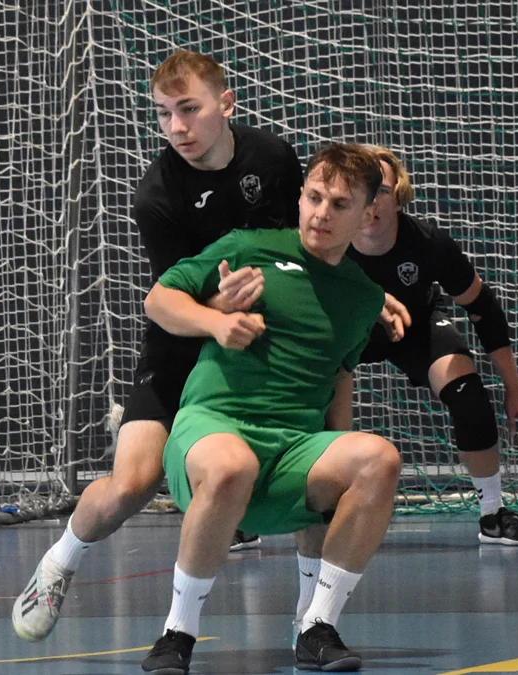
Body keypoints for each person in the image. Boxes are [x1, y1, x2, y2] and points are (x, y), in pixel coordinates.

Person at [10, 50, 304, 643]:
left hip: (261, 344)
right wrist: (218, 311)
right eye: (165, 114)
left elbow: (295, 252)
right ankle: (59, 561)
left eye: (189, 109)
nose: (177, 127)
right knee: (131, 484)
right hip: (181, 345)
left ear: (226, 104)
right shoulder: (156, 197)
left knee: (306, 459)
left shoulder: (272, 160)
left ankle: (315, 619)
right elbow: (174, 303)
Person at [139, 143, 402, 674]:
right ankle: (177, 634)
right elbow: (159, 300)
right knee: (232, 466)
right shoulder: (250, 246)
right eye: (313, 197)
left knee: (379, 458)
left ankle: (316, 627)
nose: (321, 213)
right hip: (213, 428)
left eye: (339, 204)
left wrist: (341, 473)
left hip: (292, 453)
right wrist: (217, 321)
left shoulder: (362, 297)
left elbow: (339, 380)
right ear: (301, 197)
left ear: (367, 214)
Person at [347, 145, 518, 545]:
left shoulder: (430, 244)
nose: (370, 203)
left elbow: (483, 308)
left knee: (469, 396)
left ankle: (491, 513)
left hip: (415, 325)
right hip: (347, 330)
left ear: (398, 193)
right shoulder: (326, 246)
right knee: (305, 400)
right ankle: (263, 513)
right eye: (359, 191)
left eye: (379, 190)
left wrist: (515, 390)